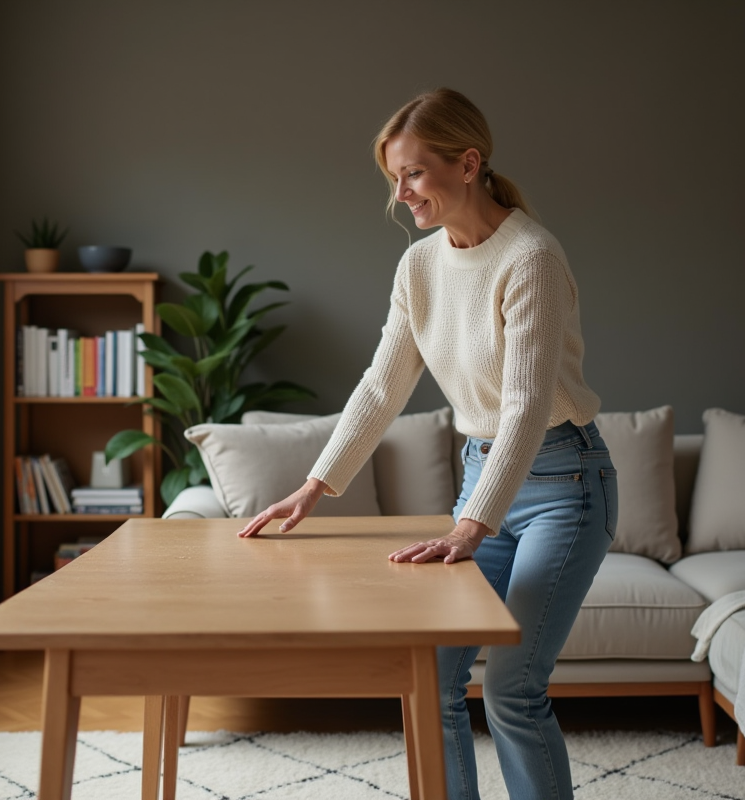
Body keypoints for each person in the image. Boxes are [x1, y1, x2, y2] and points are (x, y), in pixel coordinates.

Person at [237, 88, 617, 800]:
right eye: (394, 178)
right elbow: (382, 387)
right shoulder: (419, 267)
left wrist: (474, 523)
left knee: (512, 688)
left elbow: (527, 406)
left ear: (468, 163)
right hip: (487, 480)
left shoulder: (529, 256)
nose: (401, 192)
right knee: (432, 677)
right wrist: (315, 485)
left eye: (413, 173)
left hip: (565, 484)